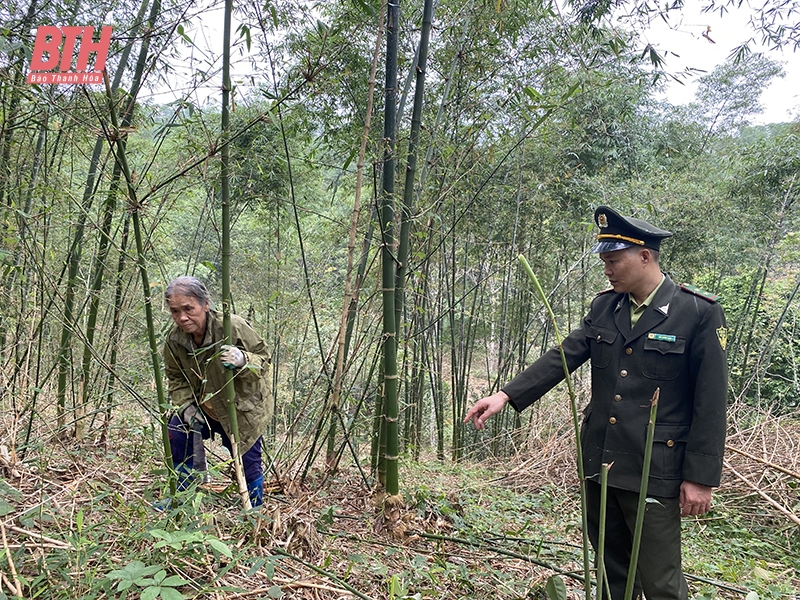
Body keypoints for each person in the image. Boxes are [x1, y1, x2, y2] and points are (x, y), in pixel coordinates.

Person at [464, 206, 728, 600]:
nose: (607, 269)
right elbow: (565, 354)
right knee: (611, 573)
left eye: (613, 260)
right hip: (600, 462)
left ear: (644, 256)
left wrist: (701, 477)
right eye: (603, 261)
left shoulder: (697, 313)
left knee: (661, 581)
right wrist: (506, 394)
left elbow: (711, 400)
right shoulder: (606, 305)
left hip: (654, 468)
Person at [163, 276, 274, 507]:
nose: (182, 317)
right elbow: (175, 377)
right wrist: (185, 405)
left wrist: (244, 360)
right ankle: (184, 499)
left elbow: (264, 361)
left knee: (248, 459)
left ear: (205, 304)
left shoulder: (232, 326)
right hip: (203, 407)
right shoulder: (175, 339)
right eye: (175, 311)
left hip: (241, 407)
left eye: (188, 309)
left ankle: (254, 509)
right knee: (177, 430)